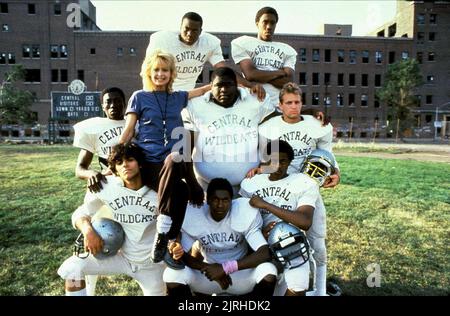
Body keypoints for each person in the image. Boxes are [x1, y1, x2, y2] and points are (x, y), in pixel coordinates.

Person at [119, 50, 208, 269]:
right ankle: (170, 242)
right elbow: (129, 130)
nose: (160, 74)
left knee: (176, 155)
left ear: (171, 73)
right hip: (149, 161)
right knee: (181, 191)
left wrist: (236, 81)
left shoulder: (178, 97)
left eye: (165, 70)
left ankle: (161, 233)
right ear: (149, 72)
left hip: (173, 161)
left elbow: (204, 89)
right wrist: (115, 161)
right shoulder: (139, 97)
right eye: (156, 70)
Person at [254, 82, 340, 296]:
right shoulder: (269, 127)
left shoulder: (316, 124)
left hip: (308, 187)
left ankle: (320, 291)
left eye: (298, 102)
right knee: (280, 240)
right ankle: (278, 287)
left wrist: (337, 172)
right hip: (278, 188)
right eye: (289, 103)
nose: (294, 107)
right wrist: (258, 169)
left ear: (302, 103)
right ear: (280, 105)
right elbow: (266, 158)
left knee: (317, 243)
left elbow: (327, 154)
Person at [57, 143, 165, 296]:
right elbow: (80, 213)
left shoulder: (158, 193)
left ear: (140, 164)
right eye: (119, 162)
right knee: (72, 268)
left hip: (151, 266)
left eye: (130, 159)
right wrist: (88, 232)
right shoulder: (108, 187)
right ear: (114, 169)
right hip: (122, 258)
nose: (125, 165)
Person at [163, 178, 277, 296]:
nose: (220, 205)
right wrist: (207, 267)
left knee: (268, 270)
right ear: (207, 200)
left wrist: (225, 268)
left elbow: (264, 253)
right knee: (172, 274)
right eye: (215, 199)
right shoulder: (195, 213)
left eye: (225, 200)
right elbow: (182, 255)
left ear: (232, 201)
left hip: (239, 274)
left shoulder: (243, 212)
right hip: (208, 275)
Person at [239, 140, 320, 296]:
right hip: (259, 244)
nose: (277, 166)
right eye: (272, 161)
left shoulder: (302, 182)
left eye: (282, 161)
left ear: (290, 162)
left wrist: (266, 205)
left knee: (297, 286)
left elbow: (305, 222)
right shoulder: (251, 184)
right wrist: (259, 233)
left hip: (291, 245)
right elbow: (241, 219)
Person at [183, 66, 273, 195]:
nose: (224, 90)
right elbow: (186, 151)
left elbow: (277, 126)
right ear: (210, 86)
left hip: (249, 184)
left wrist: (266, 167)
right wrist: (192, 183)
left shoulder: (256, 101)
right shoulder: (194, 106)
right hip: (205, 187)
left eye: (229, 85)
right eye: (219, 85)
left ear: (237, 85)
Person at [145, 11, 264, 99]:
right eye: (186, 29)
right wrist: (149, 95)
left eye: (194, 30)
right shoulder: (162, 39)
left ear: (200, 31)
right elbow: (147, 70)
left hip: (188, 95)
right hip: (160, 92)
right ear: (180, 27)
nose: (189, 34)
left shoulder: (209, 42)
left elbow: (224, 69)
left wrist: (250, 85)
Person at [231, 7, 297, 111]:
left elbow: (288, 83)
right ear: (257, 23)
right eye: (265, 22)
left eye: (272, 23)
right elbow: (250, 74)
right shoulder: (243, 43)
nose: (269, 27)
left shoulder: (287, 50)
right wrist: (280, 72)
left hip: (278, 108)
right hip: (253, 105)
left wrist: (259, 75)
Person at [73, 87, 126, 192]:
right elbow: (79, 169)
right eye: (108, 102)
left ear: (124, 104)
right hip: (109, 183)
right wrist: (91, 173)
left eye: (117, 101)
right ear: (103, 107)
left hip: (137, 183)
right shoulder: (95, 126)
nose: (113, 105)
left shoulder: (135, 125)